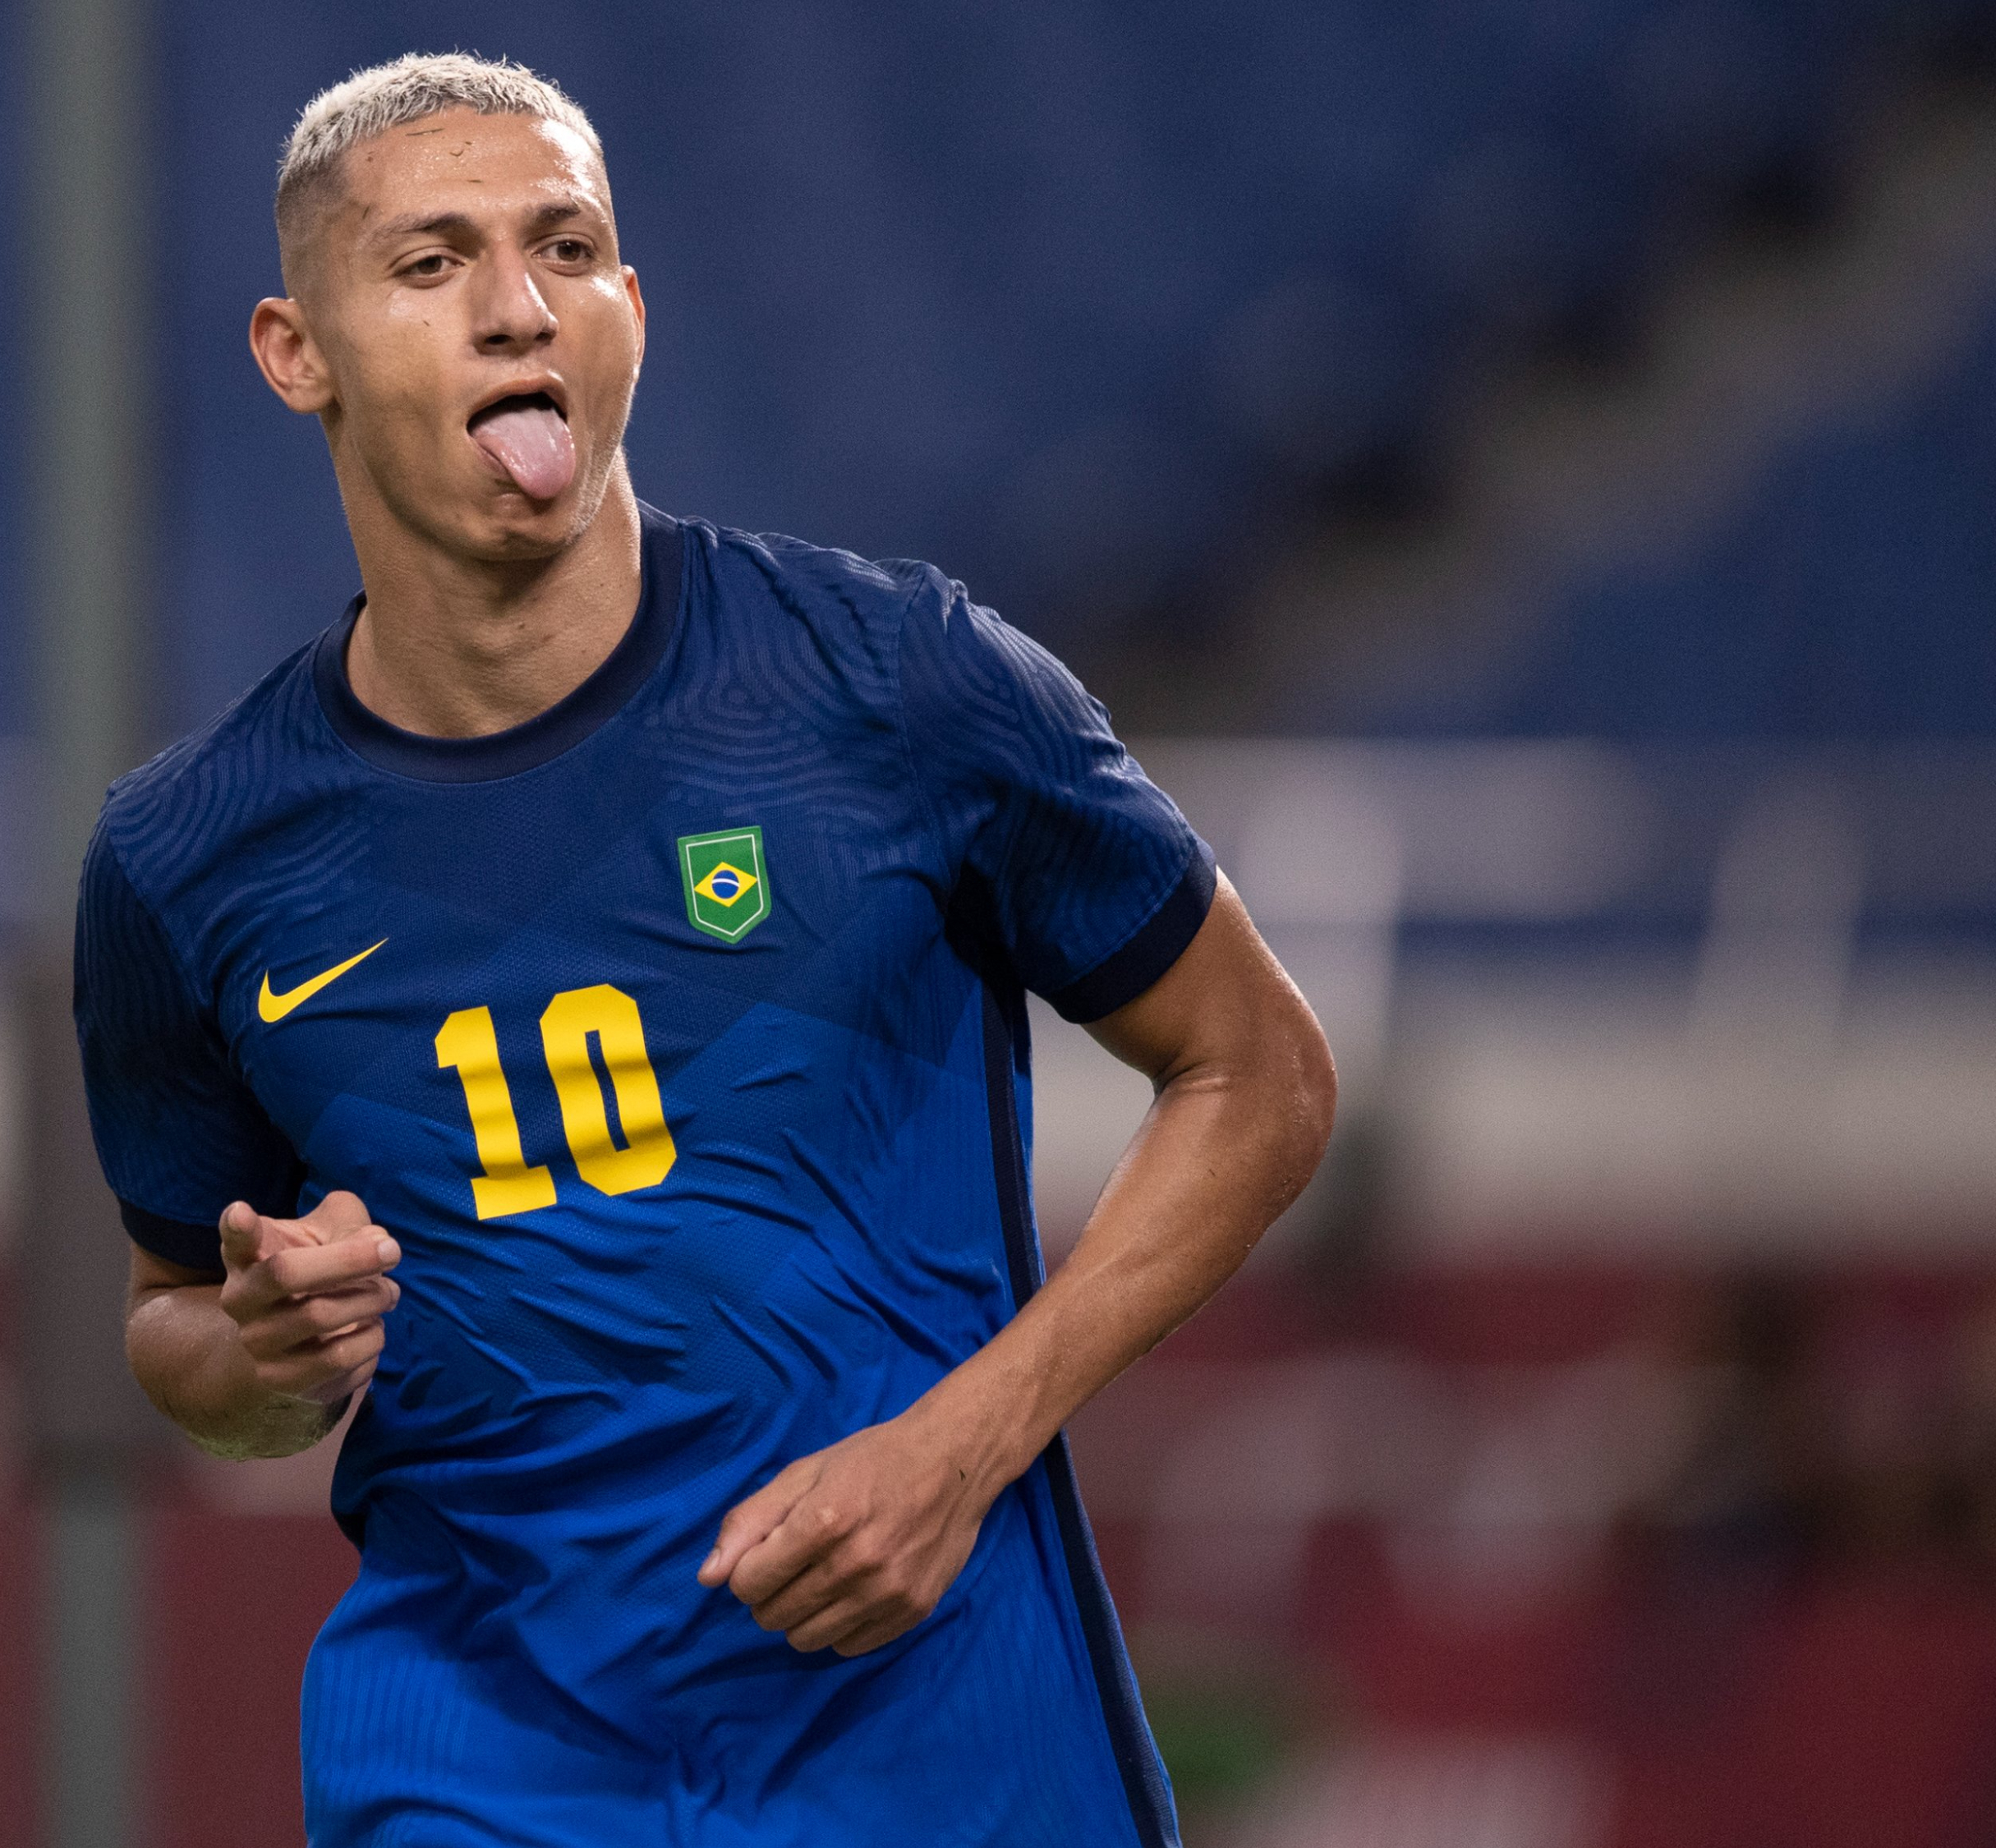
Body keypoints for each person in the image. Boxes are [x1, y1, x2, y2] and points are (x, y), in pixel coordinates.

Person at [76, 51, 1334, 1848]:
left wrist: (964, 1443)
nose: (518, 308)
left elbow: (1260, 1072)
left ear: (632, 312)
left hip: (942, 1745)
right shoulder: (185, 858)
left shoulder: (900, 684)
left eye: (566, 249)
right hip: (483, 1768)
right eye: (430, 263)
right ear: (298, 353)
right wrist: (268, 1355)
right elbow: (172, 1328)